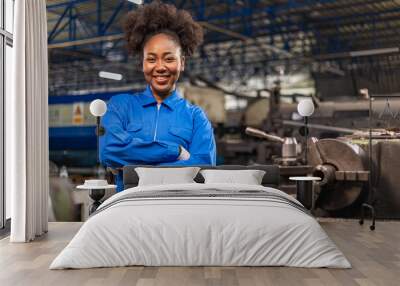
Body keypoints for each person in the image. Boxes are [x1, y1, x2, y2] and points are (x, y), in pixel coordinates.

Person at [99, 1, 216, 192]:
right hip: (128, 208)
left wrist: (135, 169)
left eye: (169, 58)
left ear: (182, 63)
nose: (160, 67)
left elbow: (203, 169)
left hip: (178, 209)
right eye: (151, 59)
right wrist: (175, 151)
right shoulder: (120, 106)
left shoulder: (196, 117)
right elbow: (109, 150)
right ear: (142, 63)